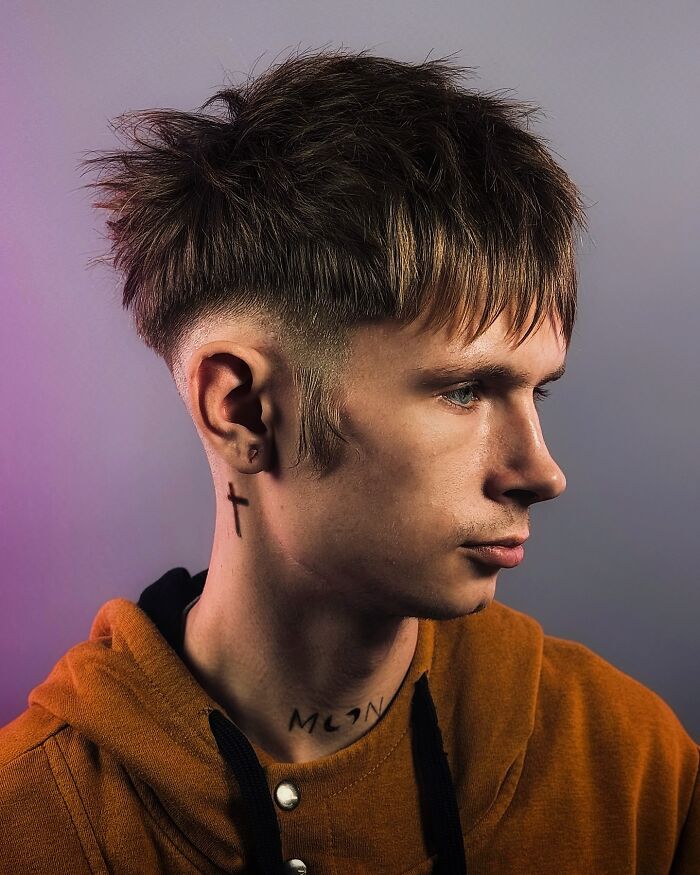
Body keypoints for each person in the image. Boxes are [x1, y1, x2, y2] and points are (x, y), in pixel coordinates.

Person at [0, 48, 696, 874]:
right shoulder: (32, 822)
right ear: (243, 409)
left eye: (535, 392)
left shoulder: (631, 765)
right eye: (466, 390)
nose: (542, 473)